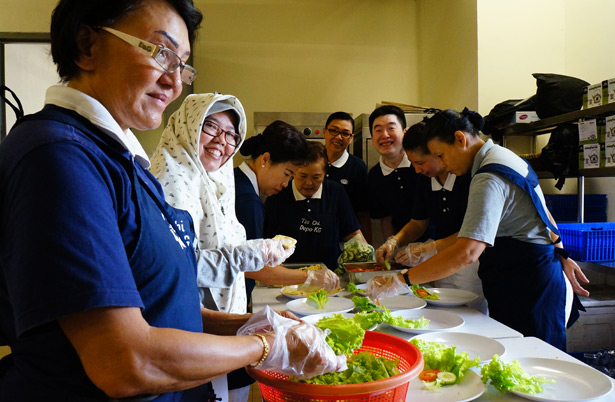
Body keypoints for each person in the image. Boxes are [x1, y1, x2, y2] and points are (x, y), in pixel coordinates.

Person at [0, 1, 343, 400]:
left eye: (181, 65)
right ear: (86, 45)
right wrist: (266, 345)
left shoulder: (125, 162)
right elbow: (125, 360)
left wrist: (250, 324)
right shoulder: (60, 156)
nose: (174, 82)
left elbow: (159, 307)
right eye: (161, 53)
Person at [151, 94, 339, 401]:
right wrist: (280, 268)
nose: (221, 141)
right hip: (186, 334)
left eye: (231, 135)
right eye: (210, 127)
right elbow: (180, 269)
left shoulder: (217, 180)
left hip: (214, 326)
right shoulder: (170, 180)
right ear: (189, 125)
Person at [368, 108, 589, 351]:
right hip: (526, 277)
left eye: (441, 156)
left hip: (529, 288)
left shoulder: (488, 175)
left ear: (460, 139)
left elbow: (467, 252)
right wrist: (561, 252)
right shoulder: (500, 156)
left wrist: (402, 279)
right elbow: (543, 211)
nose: (441, 164)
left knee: (535, 365)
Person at [375, 121, 487, 313]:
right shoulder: (425, 180)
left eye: (420, 163)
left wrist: (430, 247)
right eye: (413, 164)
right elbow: (418, 222)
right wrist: (394, 241)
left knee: (471, 315)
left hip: (471, 264)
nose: (417, 170)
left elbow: (473, 233)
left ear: (437, 153)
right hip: (441, 263)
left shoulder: (468, 177)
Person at [235, 121, 340, 302]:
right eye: (287, 174)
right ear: (265, 159)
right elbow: (252, 266)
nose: (285, 184)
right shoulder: (248, 201)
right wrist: (309, 277)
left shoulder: (238, 179)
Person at [264, 141, 367, 271]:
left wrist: (366, 262)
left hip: (330, 274)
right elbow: (265, 242)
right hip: (287, 276)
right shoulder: (278, 194)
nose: (309, 183)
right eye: (303, 176)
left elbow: (353, 235)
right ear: (294, 172)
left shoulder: (335, 192)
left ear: (325, 173)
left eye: (316, 177)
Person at [366, 105, 428, 244]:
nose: (385, 135)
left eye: (391, 128)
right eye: (378, 130)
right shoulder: (375, 176)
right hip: (402, 247)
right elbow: (385, 219)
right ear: (372, 137)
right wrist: (391, 249)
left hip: (436, 245)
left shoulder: (423, 165)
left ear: (404, 132)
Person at [322, 111, 371, 242]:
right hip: (314, 237)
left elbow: (363, 213)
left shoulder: (357, 167)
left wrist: (367, 248)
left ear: (351, 138)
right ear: (324, 132)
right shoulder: (312, 161)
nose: (338, 137)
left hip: (345, 241)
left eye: (345, 133)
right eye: (334, 131)